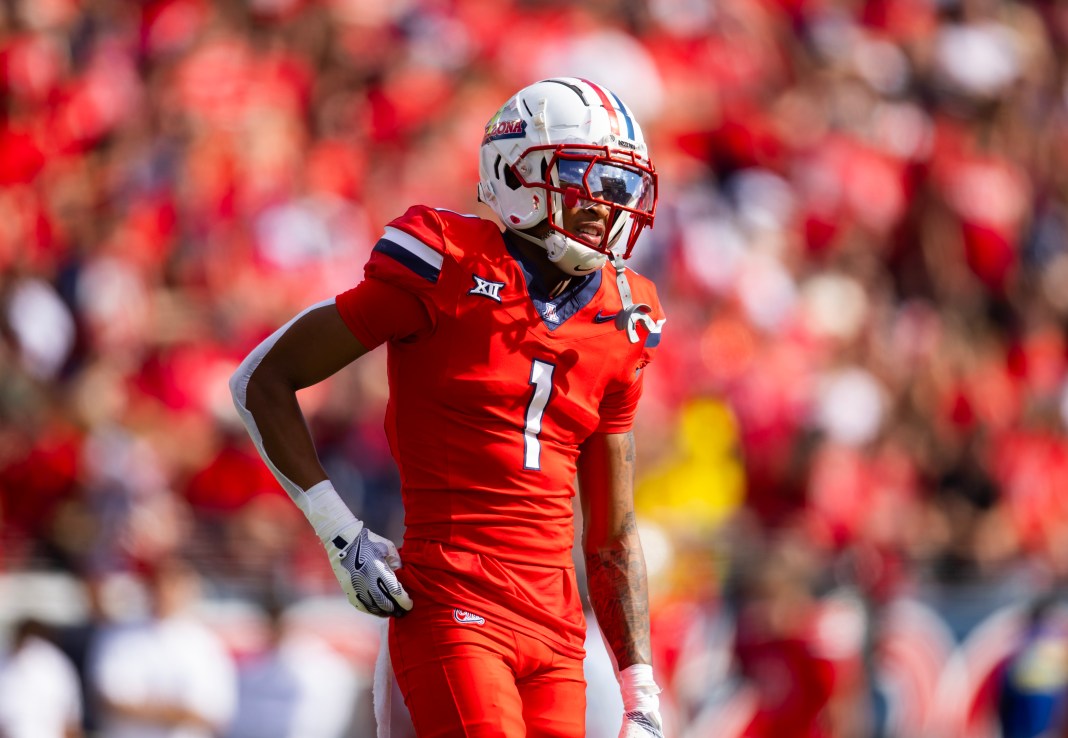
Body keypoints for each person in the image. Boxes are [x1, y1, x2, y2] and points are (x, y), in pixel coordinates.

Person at [229, 77, 666, 738]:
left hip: (556, 629)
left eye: (618, 187)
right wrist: (339, 533)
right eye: (585, 178)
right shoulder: (445, 263)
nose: (605, 205)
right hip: (453, 599)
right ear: (517, 173)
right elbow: (263, 379)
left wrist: (639, 688)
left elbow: (611, 531)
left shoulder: (625, 318)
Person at [88, 557, 237, 738]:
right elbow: (111, 699)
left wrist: (149, 709)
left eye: (176, 586)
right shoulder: (119, 636)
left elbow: (215, 712)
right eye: (162, 584)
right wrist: (176, 713)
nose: (167, 592)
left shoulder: (205, 644)